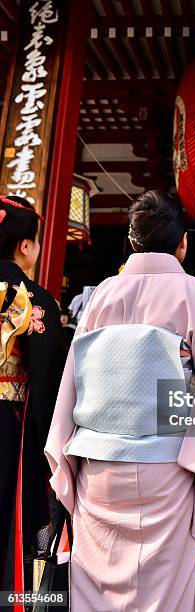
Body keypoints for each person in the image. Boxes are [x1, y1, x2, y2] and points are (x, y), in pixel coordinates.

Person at [45, 190, 195, 612]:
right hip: (168, 468)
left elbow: (75, 381)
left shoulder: (101, 295)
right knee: (164, 592)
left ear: (133, 242)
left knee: (93, 588)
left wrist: (64, 449)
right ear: (183, 242)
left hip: (98, 466)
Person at [0, 196, 65, 599]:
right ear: (26, 246)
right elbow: (46, 382)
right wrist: (48, 448)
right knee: (14, 523)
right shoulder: (33, 299)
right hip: (12, 424)